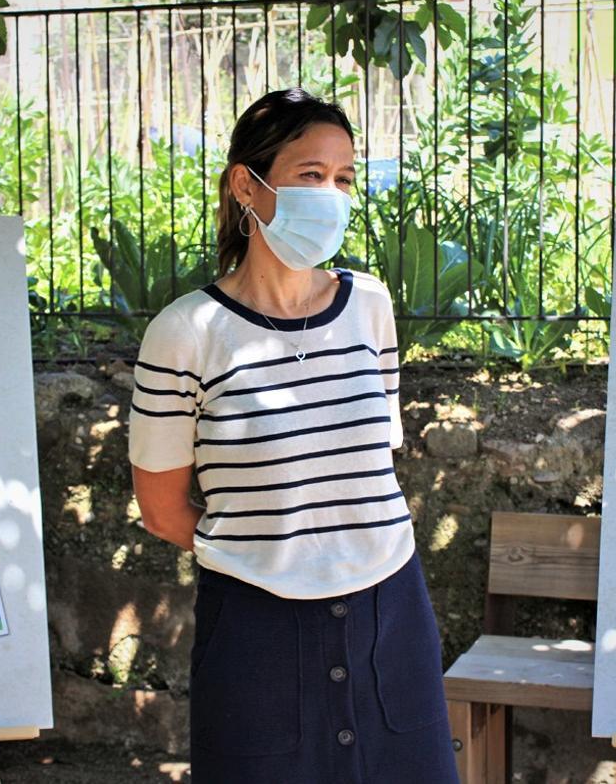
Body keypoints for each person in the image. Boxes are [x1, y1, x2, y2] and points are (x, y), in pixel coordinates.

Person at [128, 88, 459, 784]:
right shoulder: (185, 333)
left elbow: (370, 467)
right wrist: (267, 547)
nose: (331, 196)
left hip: (390, 620)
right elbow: (161, 510)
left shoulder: (369, 305)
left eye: (344, 179)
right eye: (310, 175)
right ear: (245, 185)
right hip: (255, 637)